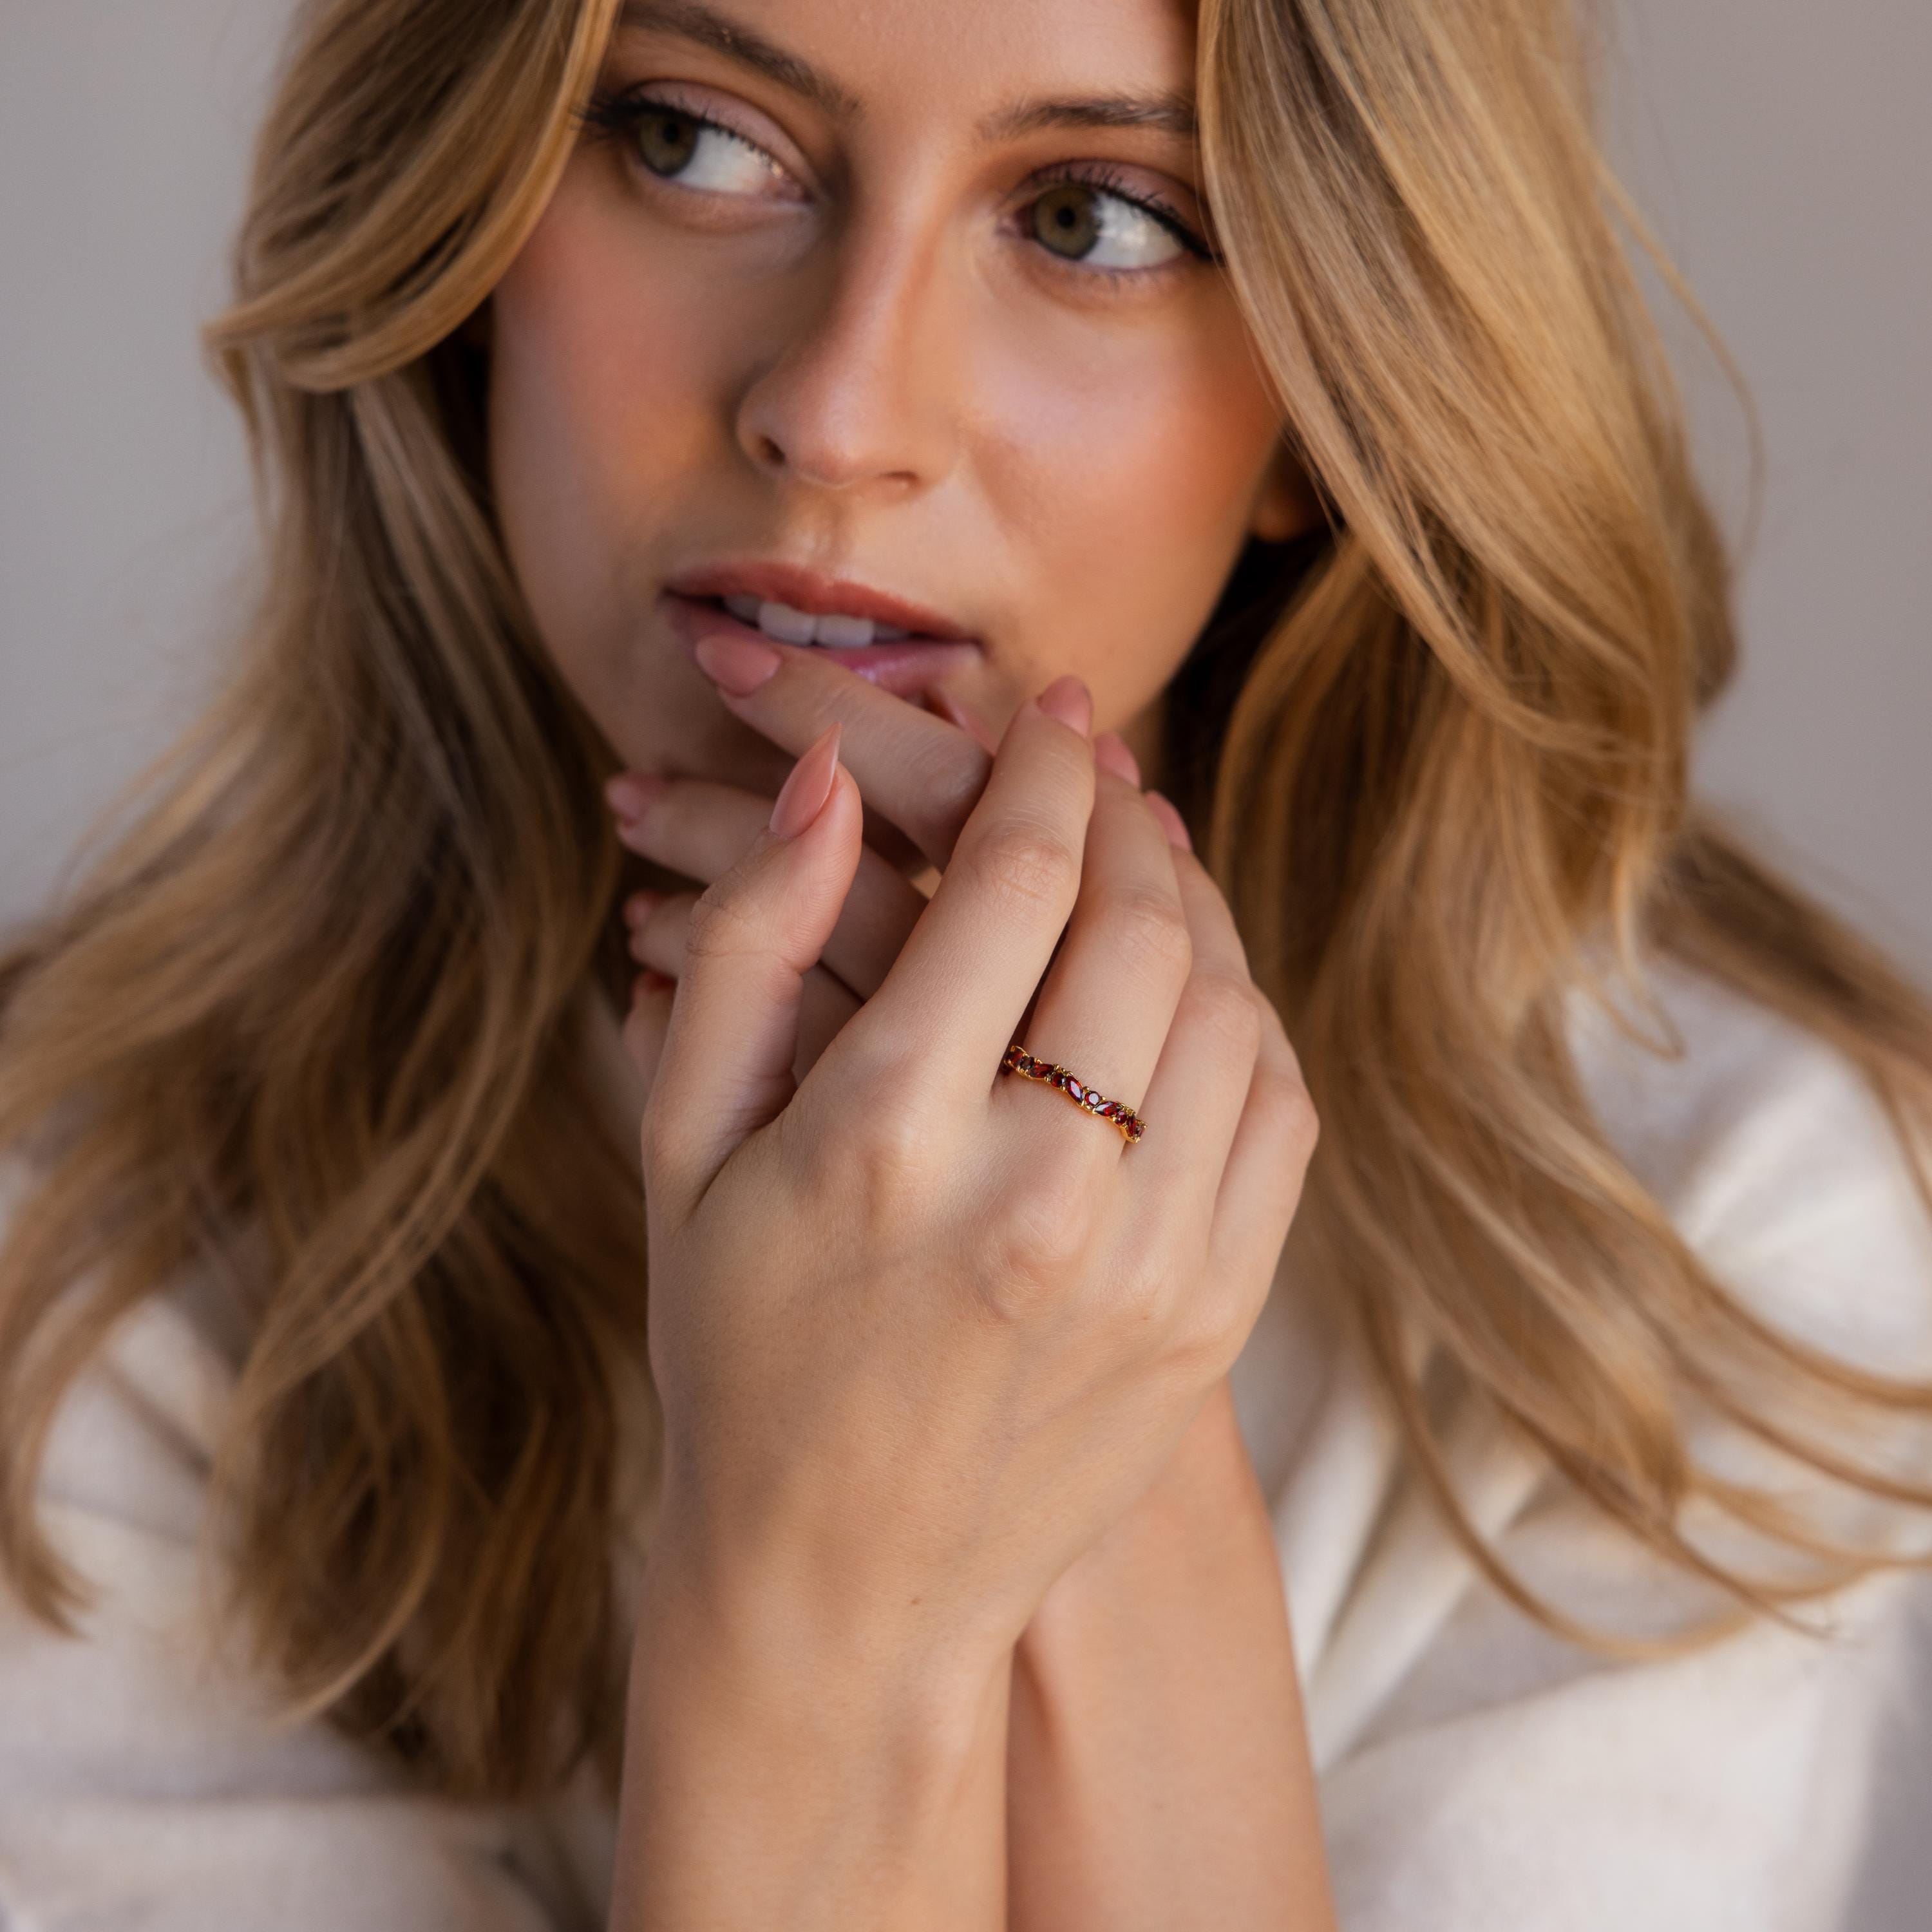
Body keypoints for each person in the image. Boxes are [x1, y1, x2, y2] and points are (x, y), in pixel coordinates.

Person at [2, 0, 1929, 1923]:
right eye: (691, 140)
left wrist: (1098, 1415)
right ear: (471, 225)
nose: (838, 417)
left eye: (1094, 217)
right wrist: (825, 1605)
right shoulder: (78, 1260)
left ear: (1325, 384)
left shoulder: (1702, 1263)